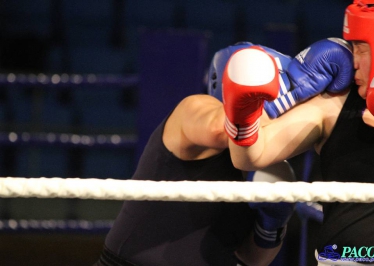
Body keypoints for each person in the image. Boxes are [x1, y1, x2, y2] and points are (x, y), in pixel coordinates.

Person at [222, 0, 374, 265]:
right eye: (351, 47)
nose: (353, 60)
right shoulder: (334, 105)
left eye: (362, 48)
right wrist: (244, 112)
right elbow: (250, 157)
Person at [93, 42, 301, 266]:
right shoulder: (193, 108)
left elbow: (252, 259)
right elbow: (219, 128)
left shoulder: (270, 163)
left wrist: (271, 224)